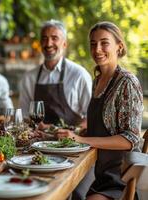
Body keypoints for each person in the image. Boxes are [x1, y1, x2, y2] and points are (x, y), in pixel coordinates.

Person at [57, 21, 143, 200]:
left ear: (119, 46)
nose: (97, 49)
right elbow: (104, 126)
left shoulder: (127, 82)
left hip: (120, 178)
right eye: (93, 44)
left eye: (104, 43)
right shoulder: (98, 80)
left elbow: (130, 139)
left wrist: (81, 139)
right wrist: (78, 133)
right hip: (100, 174)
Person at [19, 19, 92, 128]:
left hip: (71, 142)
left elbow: (91, 118)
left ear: (64, 44)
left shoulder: (79, 75)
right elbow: (24, 116)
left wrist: (70, 132)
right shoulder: (29, 78)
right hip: (37, 141)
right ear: (40, 43)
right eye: (45, 38)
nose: (48, 44)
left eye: (54, 38)